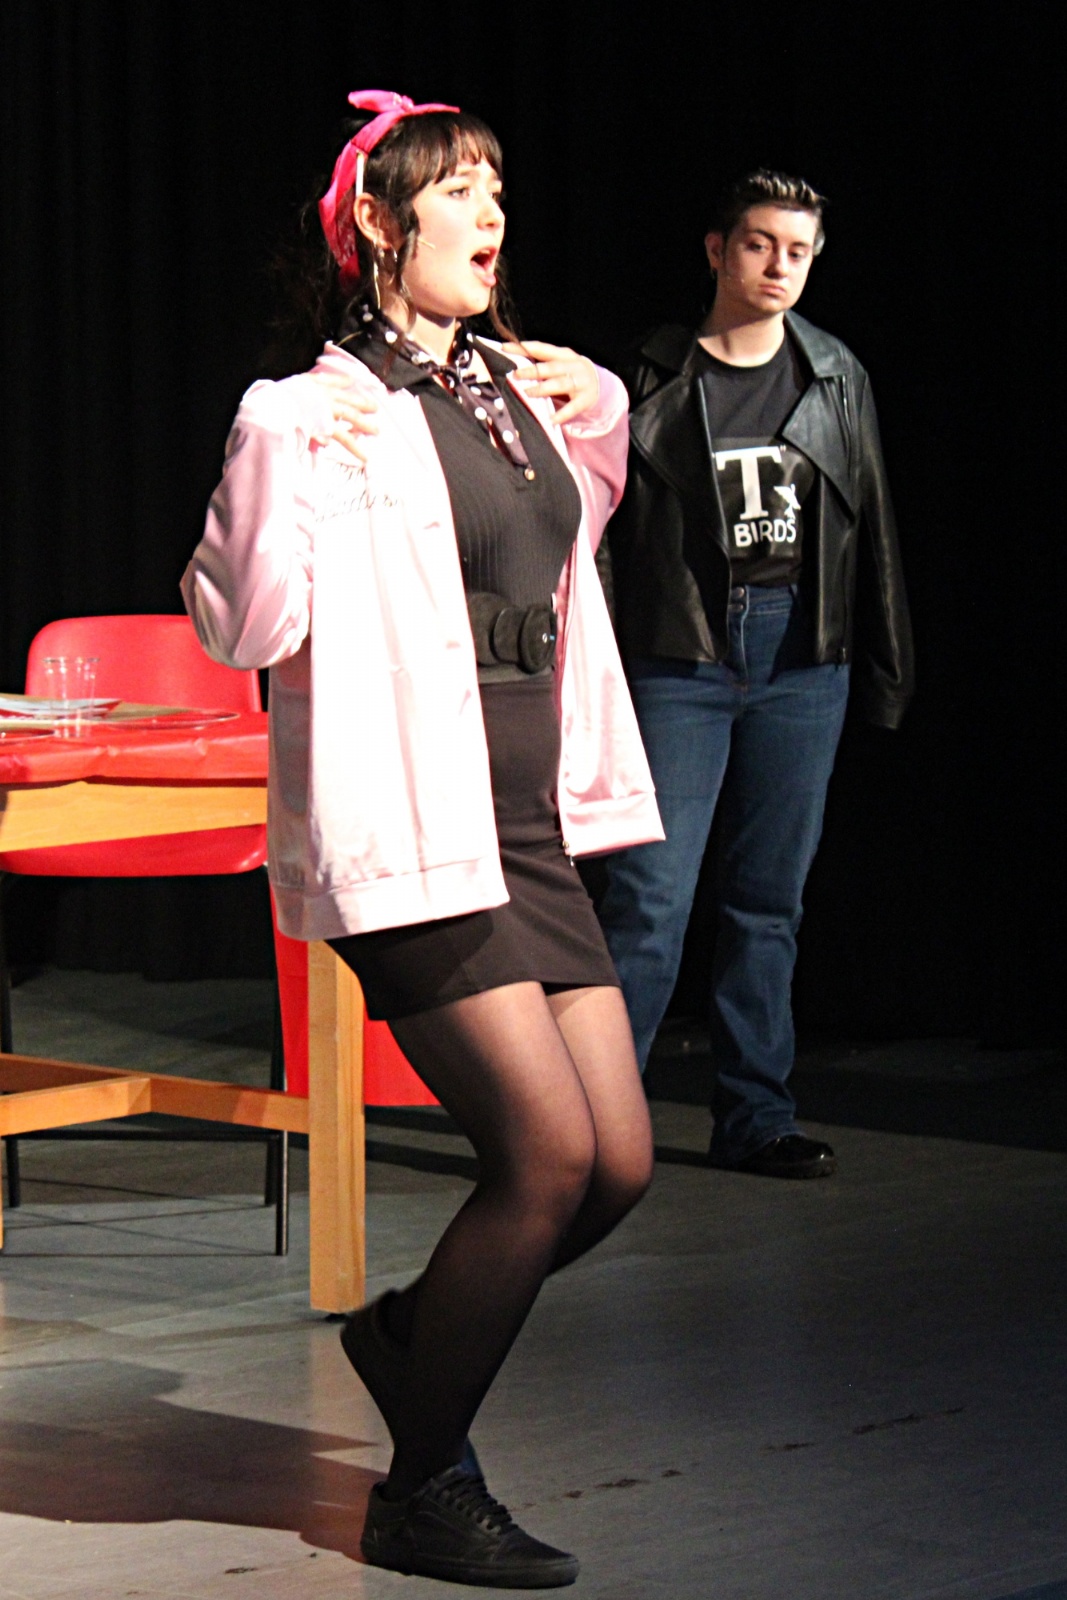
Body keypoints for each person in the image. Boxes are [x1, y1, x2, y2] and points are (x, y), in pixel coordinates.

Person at [182, 90, 662, 1589]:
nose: (492, 213)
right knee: (543, 1154)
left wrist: (602, 419)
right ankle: (423, 1483)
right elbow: (242, 625)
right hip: (408, 819)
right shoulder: (320, 409)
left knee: (618, 1163)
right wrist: (266, 442)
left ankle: (409, 1338)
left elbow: (560, 548)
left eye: (498, 187)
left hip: (526, 818)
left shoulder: (512, 386)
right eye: (460, 190)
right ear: (381, 227)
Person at [597, 169, 914, 1180]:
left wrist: (883, 664)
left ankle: (755, 1117)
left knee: (767, 899)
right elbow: (602, 534)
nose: (779, 266)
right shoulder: (648, 371)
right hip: (678, 654)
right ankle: (594, 1124)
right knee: (649, 898)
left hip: (798, 656)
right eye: (758, 244)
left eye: (798, 250)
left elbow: (870, 525)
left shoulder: (833, 374)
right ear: (715, 250)